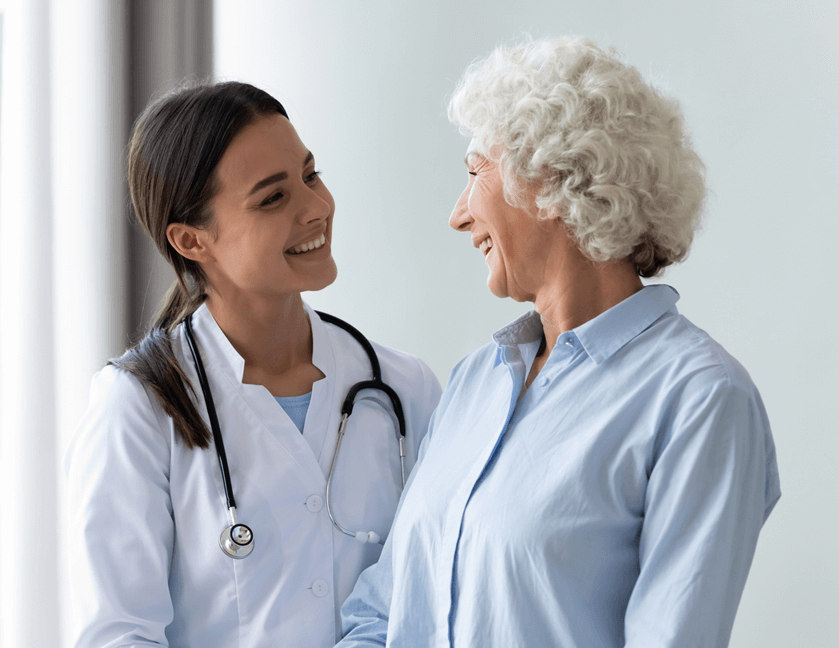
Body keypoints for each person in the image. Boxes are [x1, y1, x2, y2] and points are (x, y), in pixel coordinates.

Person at [339, 37, 780, 647]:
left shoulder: (701, 399)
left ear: (547, 177)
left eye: (474, 172)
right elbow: (383, 614)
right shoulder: (477, 379)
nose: (458, 214)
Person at [64, 81, 441, 648]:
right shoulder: (137, 409)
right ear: (192, 240)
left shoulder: (402, 388)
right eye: (272, 198)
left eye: (310, 176)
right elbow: (119, 635)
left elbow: (437, 592)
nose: (317, 208)